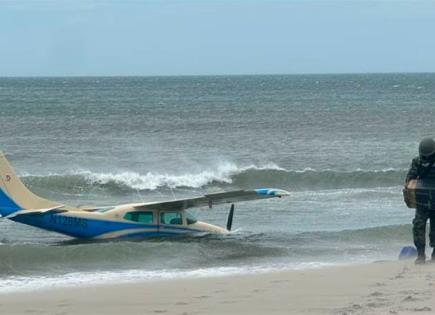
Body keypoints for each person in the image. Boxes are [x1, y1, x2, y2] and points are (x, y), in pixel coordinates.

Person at [405, 137, 435, 264]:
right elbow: (410, 179)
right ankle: (421, 255)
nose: (425, 158)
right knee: (418, 226)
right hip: (422, 202)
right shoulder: (417, 162)